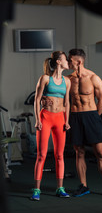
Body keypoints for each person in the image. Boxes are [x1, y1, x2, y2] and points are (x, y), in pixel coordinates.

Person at [67, 48, 102, 198]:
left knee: (100, 153)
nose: (69, 62)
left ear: (79, 61)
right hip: (75, 116)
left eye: (70, 60)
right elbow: (61, 98)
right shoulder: (68, 79)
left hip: (91, 116)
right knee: (79, 152)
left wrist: (95, 117)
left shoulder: (93, 78)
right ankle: (83, 186)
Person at [31, 51, 71, 201]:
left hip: (60, 119)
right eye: (65, 59)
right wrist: (37, 119)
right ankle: (36, 190)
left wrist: (67, 121)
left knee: (59, 155)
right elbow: (36, 99)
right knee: (41, 155)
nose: (68, 62)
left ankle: (60, 188)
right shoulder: (45, 78)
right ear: (59, 62)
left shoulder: (67, 81)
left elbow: (67, 103)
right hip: (46, 117)